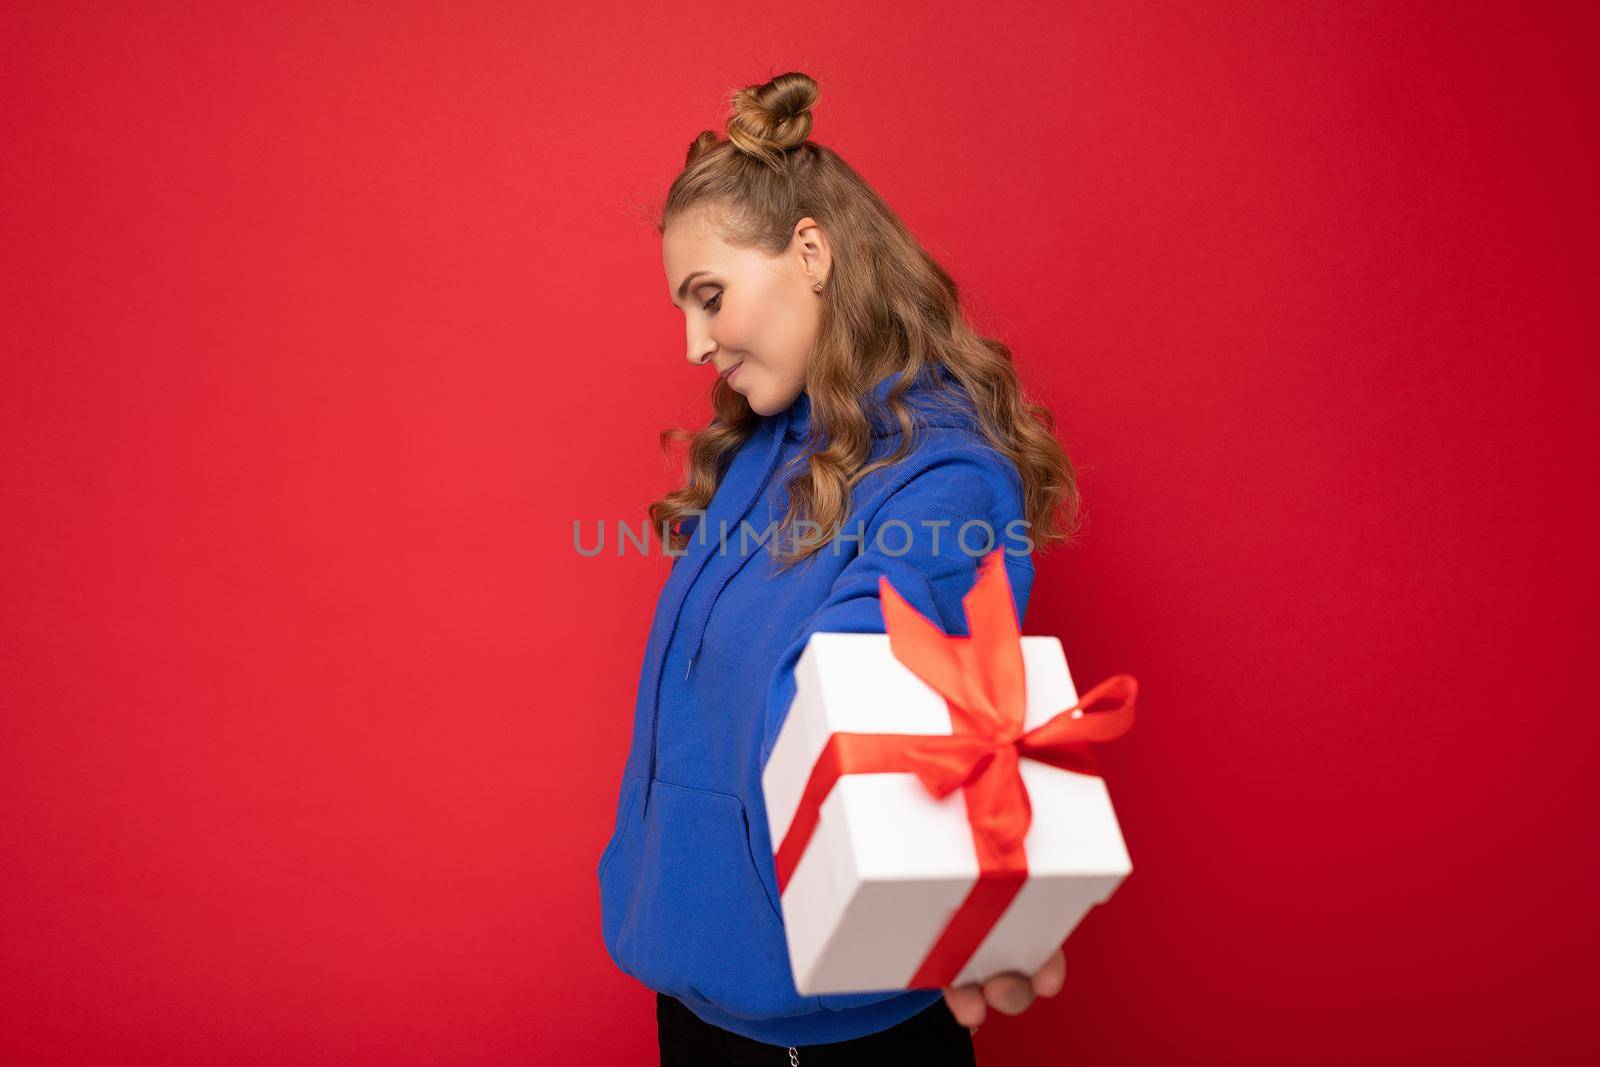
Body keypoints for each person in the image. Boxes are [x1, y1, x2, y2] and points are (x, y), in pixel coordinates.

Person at [596, 71, 1085, 1065]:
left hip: (825, 1037)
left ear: (810, 252)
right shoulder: (757, 451)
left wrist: (940, 877)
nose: (695, 343)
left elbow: (873, 702)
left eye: (709, 296)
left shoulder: (943, 475)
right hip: (697, 999)